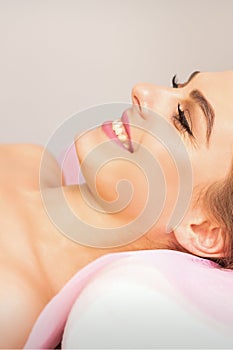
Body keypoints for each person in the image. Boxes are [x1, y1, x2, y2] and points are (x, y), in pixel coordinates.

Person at [0, 70, 232, 348]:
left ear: (204, 230)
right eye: (177, 84)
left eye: (183, 119)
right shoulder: (33, 160)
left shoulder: (11, 307)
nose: (142, 90)